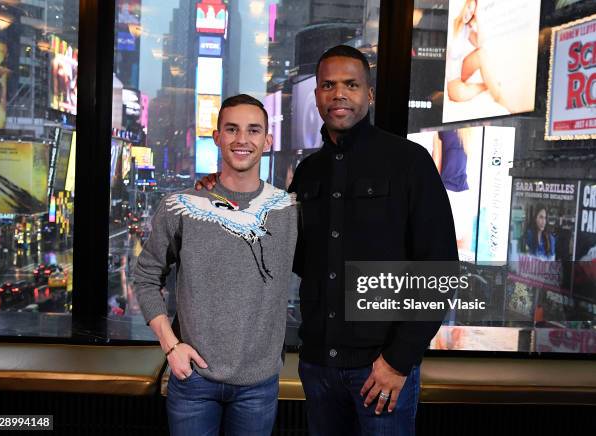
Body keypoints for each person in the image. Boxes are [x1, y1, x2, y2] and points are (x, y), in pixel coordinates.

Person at [197, 45, 457, 435]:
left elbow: (439, 270)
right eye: (328, 85)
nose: (339, 94)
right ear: (316, 95)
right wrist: (223, 195)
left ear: (368, 94)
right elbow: (289, 256)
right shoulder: (308, 172)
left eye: (351, 84)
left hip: (381, 370)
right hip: (318, 367)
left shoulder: (410, 162)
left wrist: (398, 361)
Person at [134, 94, 297, 435]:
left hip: (258, 384)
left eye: (253, 130)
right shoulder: (179, 206)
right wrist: (171, 346)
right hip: (192, 379)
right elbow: (146, 276)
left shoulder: (290, 210)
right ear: (217, 136)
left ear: (267, 140)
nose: (242, 139)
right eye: (232, 129)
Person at [446, 0, 487, 102]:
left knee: (481, 53)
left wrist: (478, 18)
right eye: (468, 8)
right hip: (450, 80)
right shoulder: (449, 23)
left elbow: (480, 44)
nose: (469, 14)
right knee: (459, 94)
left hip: (459, 73)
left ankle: (487, 85)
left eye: (472, 12)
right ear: (463, 5)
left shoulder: (467, 28)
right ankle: (484, 86)